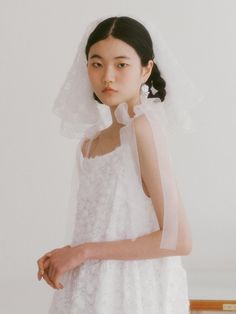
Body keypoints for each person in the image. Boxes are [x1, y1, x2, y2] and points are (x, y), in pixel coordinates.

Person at [37, 15, 196, 313]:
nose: (107, 76)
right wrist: (68, 254)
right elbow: (98, 227)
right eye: (97, 64)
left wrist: (83, 252)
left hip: (131, 292)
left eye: (121, 64)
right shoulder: (89, 143)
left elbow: (179, 239)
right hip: (89, 291)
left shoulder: (142, 129)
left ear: (146, 69)